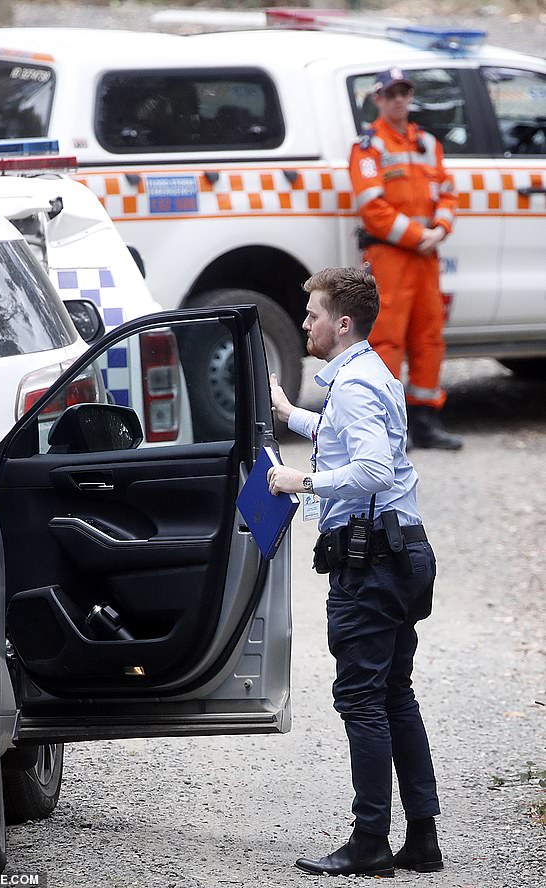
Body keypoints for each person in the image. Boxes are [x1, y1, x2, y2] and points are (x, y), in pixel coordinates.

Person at [267, 267, 443, 878]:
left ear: (342, 324)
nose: (304, 323)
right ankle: (421, 839)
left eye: (313, 314)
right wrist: (291, 415)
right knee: (394, 695)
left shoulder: (356, 386)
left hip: (374, 565)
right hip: (399, 557)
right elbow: (349, 434)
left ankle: (369, 842)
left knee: (363, 701)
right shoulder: (366, 375)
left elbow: (370, 470)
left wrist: (301, 479)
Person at [348, 67, 462, 450]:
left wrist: (440, 230)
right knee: (387, 339)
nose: (399, 99)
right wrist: (419, 236)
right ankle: (386, 427)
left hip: (426, 256)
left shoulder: (428, 143)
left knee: (429, 337)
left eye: (404, 92)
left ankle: (425, 422)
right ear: (378, 99)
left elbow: (448, 195)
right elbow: (372, 208)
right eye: (391, 93)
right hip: (391, 256)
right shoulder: (369, 147)